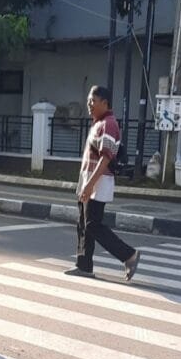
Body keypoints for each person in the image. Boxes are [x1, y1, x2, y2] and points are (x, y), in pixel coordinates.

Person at [64, 85, 141, 281]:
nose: (89, 105)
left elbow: (105, 158)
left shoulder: (109, 124)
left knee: (92, 225)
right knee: (83, 224)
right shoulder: (98, 123)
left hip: (98, 182)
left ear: (104, 103)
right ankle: (84, 265)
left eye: (93, 101)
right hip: (89, 181)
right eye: (89, 100)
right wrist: (85, 183)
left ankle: (128, 255)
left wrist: (89, 184)